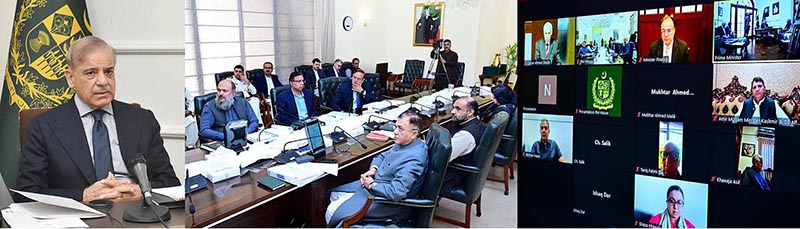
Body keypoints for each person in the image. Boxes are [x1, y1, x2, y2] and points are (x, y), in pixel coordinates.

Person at [15, 36, 180, 203]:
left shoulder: (142, 120)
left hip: (137, 214)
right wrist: (83, 195)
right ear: (70, 78)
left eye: (108, 71)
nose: (103, 81)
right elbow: (26, 194)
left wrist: (143, 191)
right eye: (91, 73)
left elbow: (171, 184)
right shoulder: (44, 126)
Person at [325, 111, 428, 227]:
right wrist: (373, 169)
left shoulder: (414, 159)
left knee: (332, 211)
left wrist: (372, 184)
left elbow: (397, 192)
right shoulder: (406, 142)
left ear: (414, 134)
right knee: (333, 194)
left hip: (387, 203)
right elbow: (382, 156)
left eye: (400, 128)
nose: (395, 132)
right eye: (395, 127)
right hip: (376, 188)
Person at [440, 97, 485, 194]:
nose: (452, 111)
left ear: (470, 112)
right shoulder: (475, 123)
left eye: (458, 109)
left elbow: (441, 158)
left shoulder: (465, 136)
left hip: (453, 176)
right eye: (453, 108)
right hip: (459, 170)